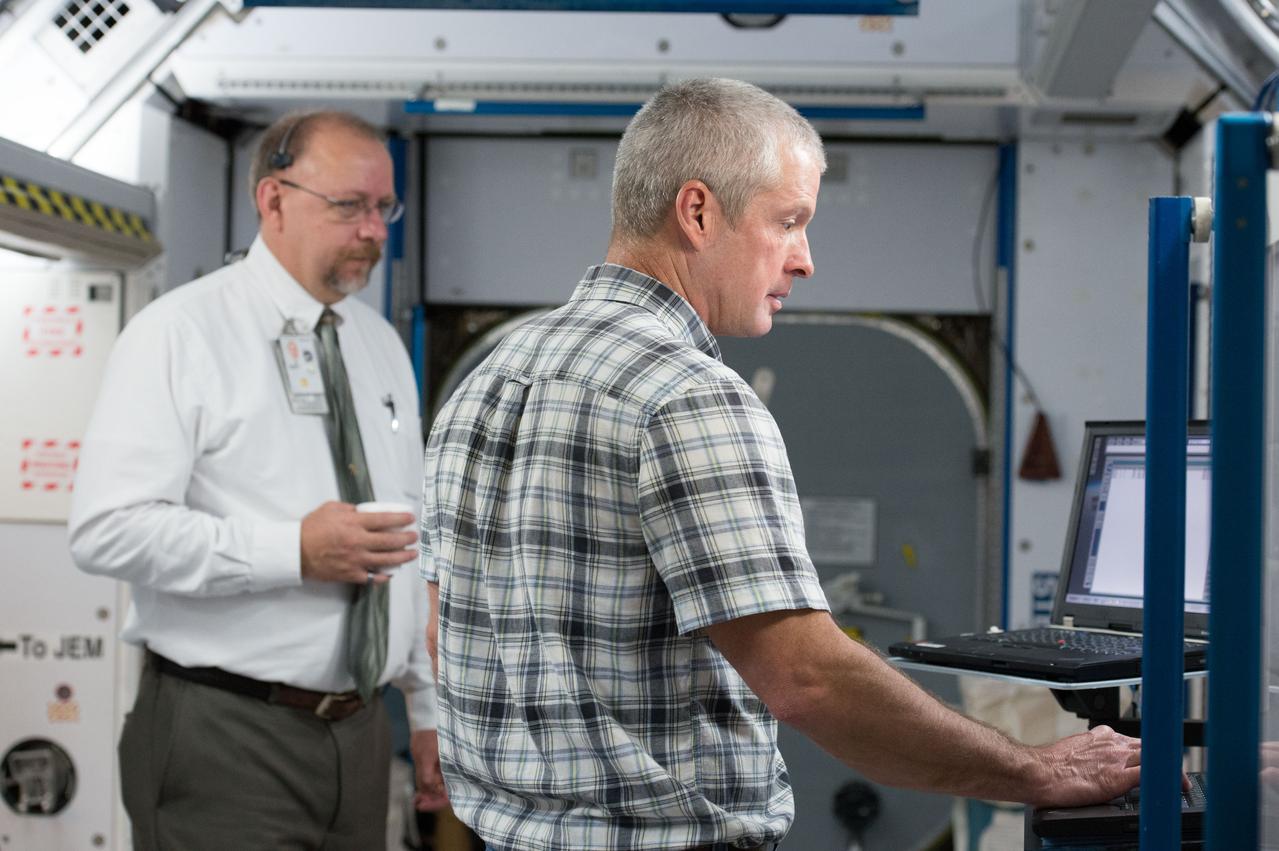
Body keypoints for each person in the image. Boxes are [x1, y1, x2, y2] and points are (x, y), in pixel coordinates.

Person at [418, 78, 1144, 851]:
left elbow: (443, 633)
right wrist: (1032, 770)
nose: (804, 259)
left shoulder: (487, 379)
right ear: (697, 211)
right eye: (788, 221)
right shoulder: (687, 395)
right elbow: (808, 680)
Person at [69, 110, 445, 850]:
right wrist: (291, 550)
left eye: (383, 208)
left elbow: (411, 540)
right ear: (272, 200)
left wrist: (427, 707)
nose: (374, 230)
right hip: (228, 733)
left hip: (363, 733)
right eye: (349, 207)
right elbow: (105, 529)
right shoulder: (180, 334)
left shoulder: (376, 345)